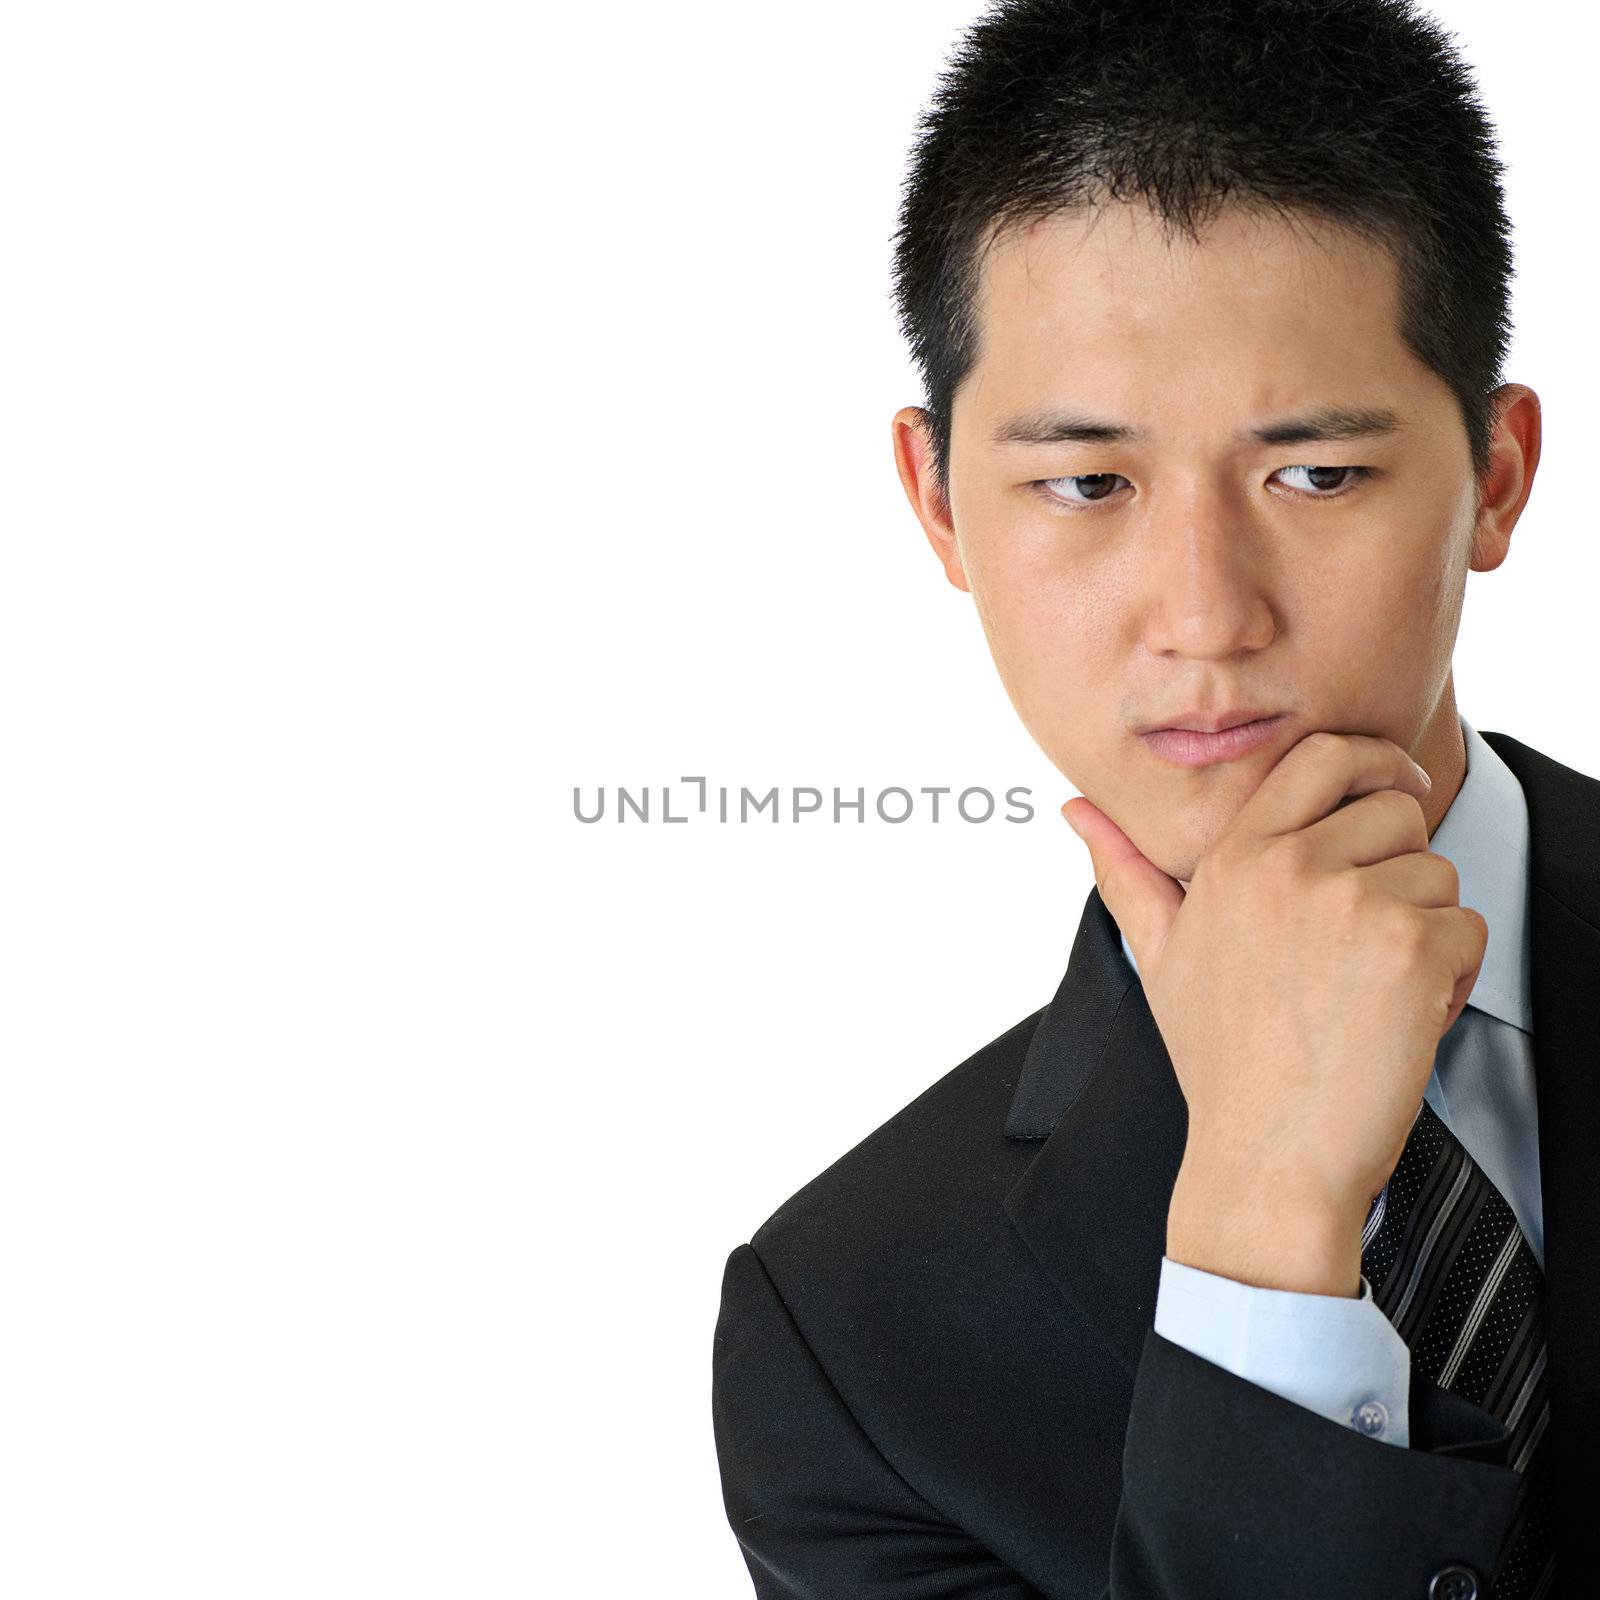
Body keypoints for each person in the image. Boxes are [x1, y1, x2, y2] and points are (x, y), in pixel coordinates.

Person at [710, 2, 1594, 1595]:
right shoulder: (852, 1341)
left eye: (1315, 475)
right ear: (940, 505)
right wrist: (1263, 1224)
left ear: (1499, 477)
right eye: (1087, 484)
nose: (1205, 616)